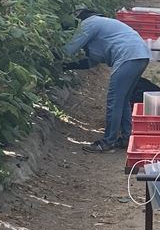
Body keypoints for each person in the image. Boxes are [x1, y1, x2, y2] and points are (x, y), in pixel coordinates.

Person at [63, 8, 151, 153]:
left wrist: (51, 57)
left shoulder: (89, 23)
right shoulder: (102, 27)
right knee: (123, 100)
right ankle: (126, 137)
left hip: (128, 56)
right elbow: (91, 62)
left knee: (114, 100)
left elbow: (67, 50)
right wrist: (67, 66)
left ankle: (107, 142)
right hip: (141, 55)